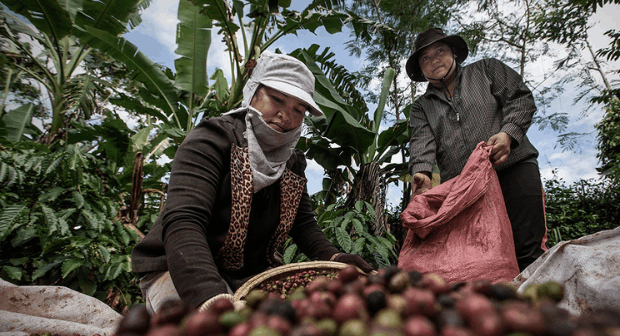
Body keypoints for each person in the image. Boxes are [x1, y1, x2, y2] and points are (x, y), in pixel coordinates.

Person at [131, 52, 371, 313]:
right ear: (253, 93)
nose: (285, 116)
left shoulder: (292, 164)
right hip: (181, 269)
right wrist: (209, 296)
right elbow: (185, 220)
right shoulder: (212, 139)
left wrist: (335, 258)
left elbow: (303, 225)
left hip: (250, 277)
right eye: (277, 99)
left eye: (298, 110)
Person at [405, 28, 547, 272]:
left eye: (440, 51)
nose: (434, 60)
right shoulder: (421, 107)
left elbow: (520, 99)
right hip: (467, 187)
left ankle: (535, 307)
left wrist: (508, 133)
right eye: (425, 58)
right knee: (480, 255)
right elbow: (421, 141)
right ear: (421, 69)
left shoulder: (487, 70)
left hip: (514, 167)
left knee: (528, 249)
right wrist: (422, 172)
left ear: (454, 54)